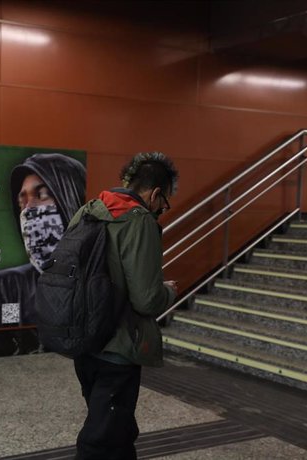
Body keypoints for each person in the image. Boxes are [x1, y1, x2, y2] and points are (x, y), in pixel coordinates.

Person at [71, 152, 179, 460]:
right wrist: (168, 292)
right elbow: (146, 299)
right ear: (155, 193)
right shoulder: (139, 220)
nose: (161, 210)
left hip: (84, 339)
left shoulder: (89, 211)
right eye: (164, 203)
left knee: (117, 430)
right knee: (101, 438)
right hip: (118, 347)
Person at [0, 153, 86, 330]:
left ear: (71, 200)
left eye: (42, 195)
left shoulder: (100, 282)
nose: (28, 210)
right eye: (22, 200)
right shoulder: (2, 291)